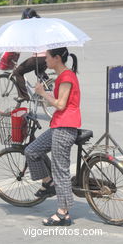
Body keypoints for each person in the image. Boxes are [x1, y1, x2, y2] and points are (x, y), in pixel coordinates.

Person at [24, 47, 80, 226]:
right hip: (58, 125)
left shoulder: (66, 77)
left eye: (47, 57)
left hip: (65, 127)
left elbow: (60, 105)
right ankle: (48, 183)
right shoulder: (63, 76)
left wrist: (42, 93)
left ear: (56, 58)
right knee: (32, 150)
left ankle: (63, 213)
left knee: (60, 170)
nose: (45, 60)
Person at [13, 8, 47, 103]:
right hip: (48, 57)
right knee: (38, 72)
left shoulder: (31, 28)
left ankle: (24, 96)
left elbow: (22, 44)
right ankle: (48, 84)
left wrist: (16, 52)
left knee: (18, 72)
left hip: (39, 57)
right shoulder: (41, 24)